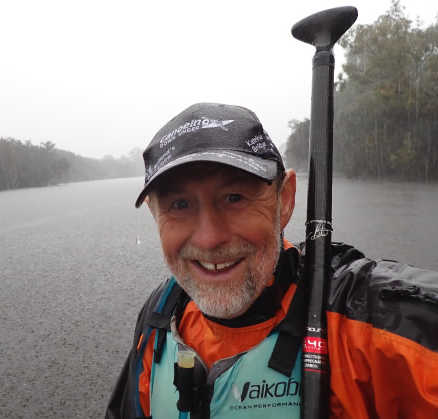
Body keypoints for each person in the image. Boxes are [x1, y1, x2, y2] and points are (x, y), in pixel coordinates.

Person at [106, 103, 438, 418]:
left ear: (285, 199)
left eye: (234, 197)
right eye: (179, 205)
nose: (209, 239)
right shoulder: (159, 317)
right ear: (154, 213)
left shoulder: (365, 319)